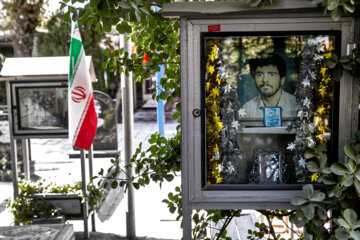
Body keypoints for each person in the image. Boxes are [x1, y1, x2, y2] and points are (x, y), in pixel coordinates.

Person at [242, 53, 297, 121]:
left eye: (271, 74)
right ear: (254, 80)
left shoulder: (295, 105)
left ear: (282, 80)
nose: (265, 80)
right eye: (260, 74)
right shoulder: (247, 109)